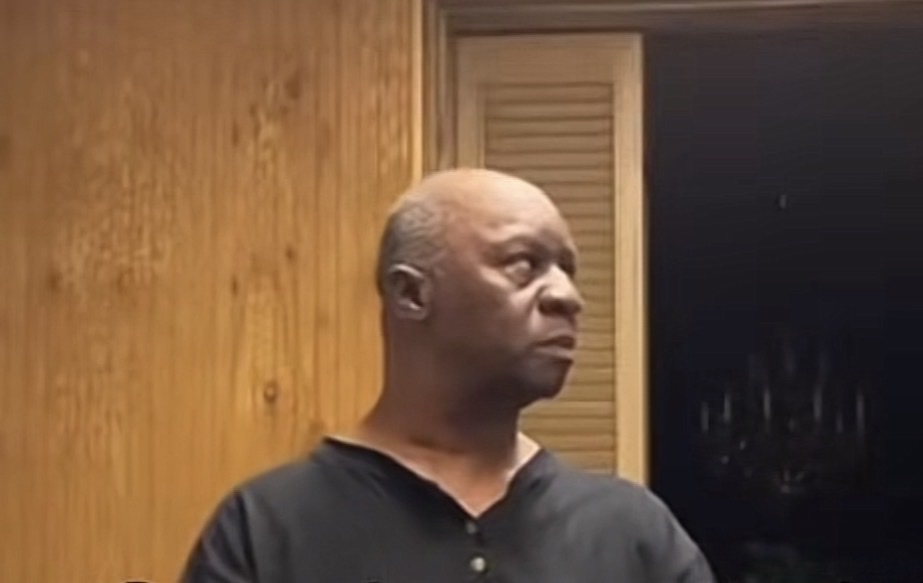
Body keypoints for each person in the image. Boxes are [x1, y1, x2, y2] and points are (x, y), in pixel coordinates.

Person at [179, 168, 715, 582]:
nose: (567, 297)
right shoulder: (266, 530)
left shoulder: (631, 533)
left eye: (567, 270)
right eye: (524, 264)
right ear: (411, 294)